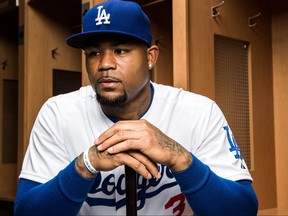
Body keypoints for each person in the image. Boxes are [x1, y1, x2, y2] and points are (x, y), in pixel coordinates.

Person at [14, 0, 258, 215]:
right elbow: (27, 211)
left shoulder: (199, 112)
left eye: (120, 50)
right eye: (94, 52)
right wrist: (84, 165)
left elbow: (243, 209)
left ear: (150, 57)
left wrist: (179, 157)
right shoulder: (58, 113)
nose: (104, 64)